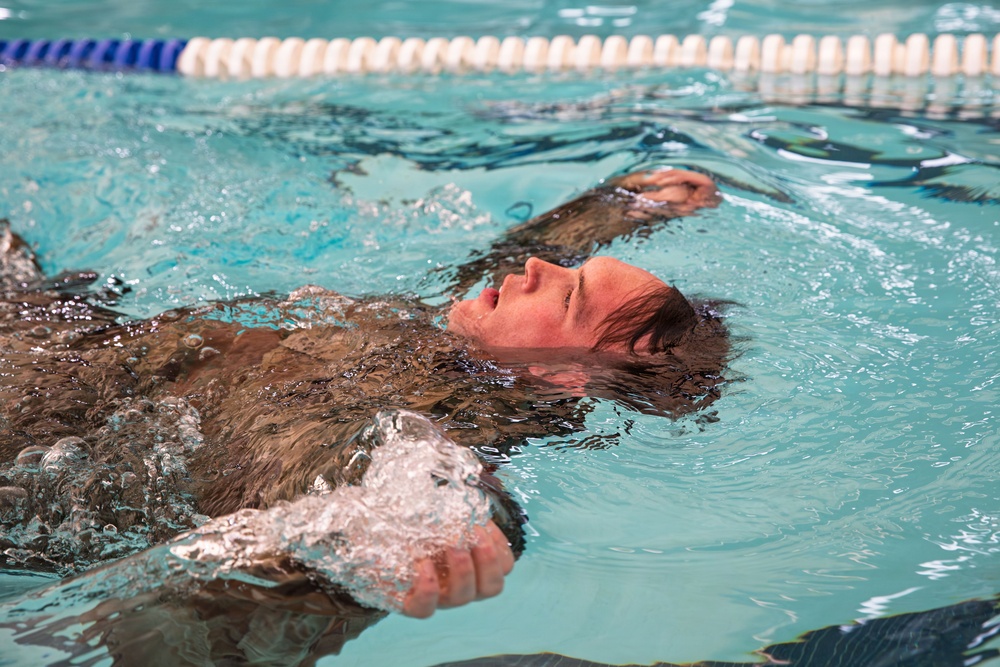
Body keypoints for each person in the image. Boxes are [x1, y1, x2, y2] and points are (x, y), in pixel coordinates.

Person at [0, 168, 726, 663]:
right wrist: (620, 206)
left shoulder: (429, 420)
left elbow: (398, 468)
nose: (540, 272)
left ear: (567, 374)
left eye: (567, 296)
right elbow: (523, 257)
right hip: (62, 333)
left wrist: (442, 522)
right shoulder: (433, 338)